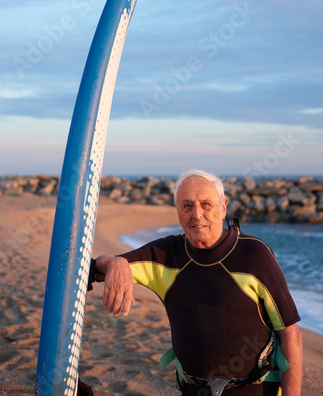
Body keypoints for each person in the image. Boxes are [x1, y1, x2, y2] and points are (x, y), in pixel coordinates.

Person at [92, 169, 303, 395]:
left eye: (206, 204)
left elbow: (290, 335)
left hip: (256, 389)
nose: (197, 214)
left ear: (223, 207)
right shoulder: (166, 255)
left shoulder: (254, 255)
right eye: (187, 206)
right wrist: (114, 263)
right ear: (178, 212)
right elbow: (98, 267)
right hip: (193, 389)